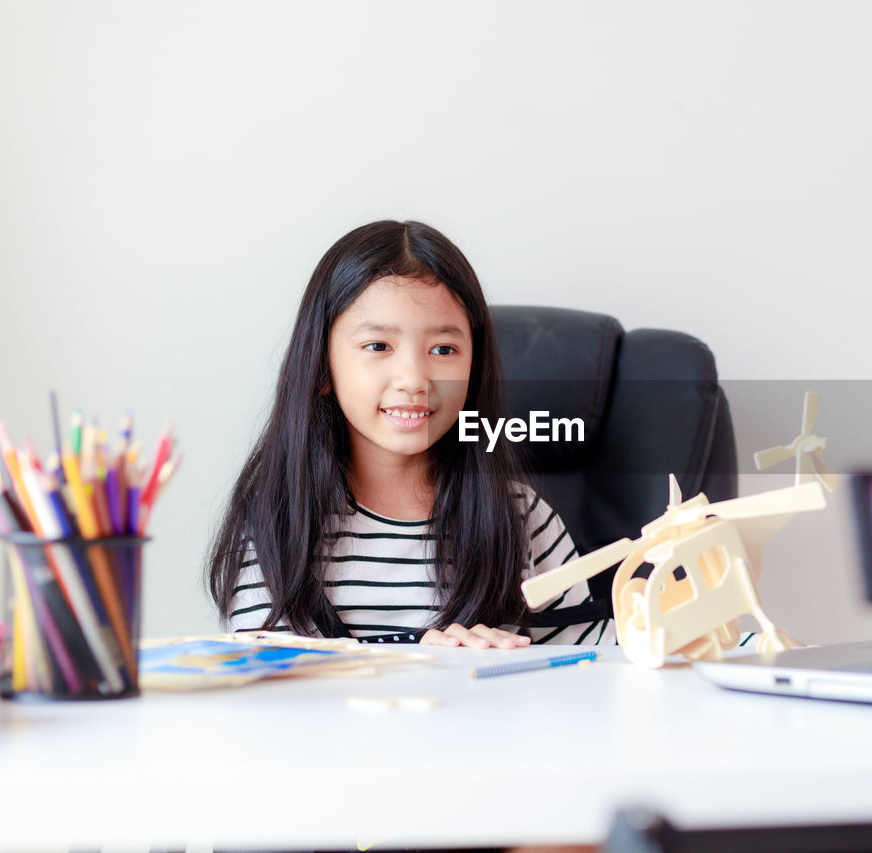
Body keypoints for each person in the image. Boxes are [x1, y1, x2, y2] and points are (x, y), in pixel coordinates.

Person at [207, 220, 613, 647]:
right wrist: (417, 660)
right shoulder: (275, 521)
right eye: (379, 346)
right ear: (323, 367)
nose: (414, 379)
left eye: (443, 350)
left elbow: (588, 675)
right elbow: (273, 693)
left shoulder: (522, 518)